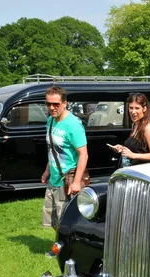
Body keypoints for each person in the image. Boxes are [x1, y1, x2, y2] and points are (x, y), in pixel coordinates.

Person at [41, 86, 88, 257]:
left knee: (65, 220)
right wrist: (47, 170)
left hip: (67, 180)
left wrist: (76, 182)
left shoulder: (73, 125)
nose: (52, 108)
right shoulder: (51, 121)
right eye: (48, 104)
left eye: (56, 104)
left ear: (65, 103)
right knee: (52, 219)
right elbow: (52, 148)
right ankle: (62, 246)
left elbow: (83, 154)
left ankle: (66, 252)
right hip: (53, 177)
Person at [110, 93, 150, 167]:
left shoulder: (148, 127)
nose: (133, 112)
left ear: (144, 109)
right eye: (131, 108)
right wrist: (122, 148)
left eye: (137, 108)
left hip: (142, 172)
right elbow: (138, 149)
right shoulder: (135, 125)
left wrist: (133, 155)